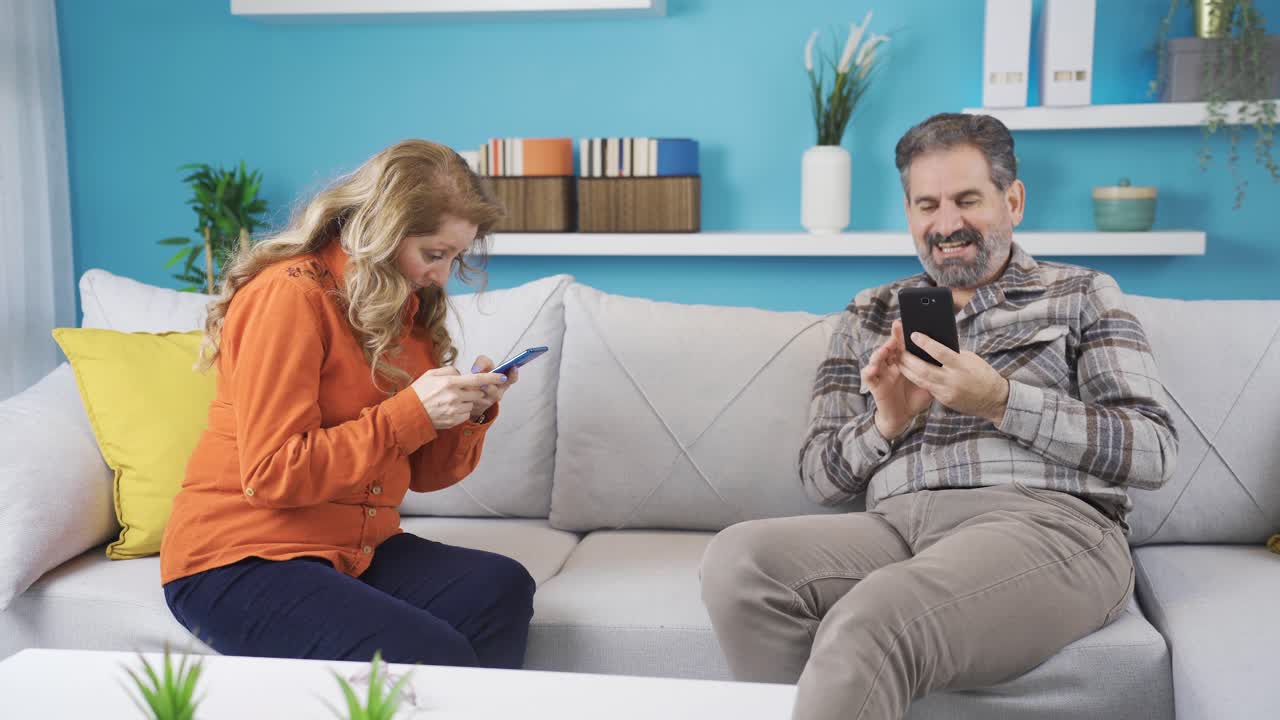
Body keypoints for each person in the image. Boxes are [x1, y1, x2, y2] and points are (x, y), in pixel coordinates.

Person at [699, 113, 1178, 720]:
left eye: (966, 200)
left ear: (1013, 200)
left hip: (1047, 526)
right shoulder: (868, 313)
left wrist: (1001, 399)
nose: (946, 224)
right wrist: (885, 425)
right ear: (908, 214)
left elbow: (1154, 451)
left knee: (874, 617)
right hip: (897, 525)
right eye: (927, 204)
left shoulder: (1082, 293)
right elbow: (818, 478)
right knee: (739, 562)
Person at [160, 139, 536, 669]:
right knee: (430, 653)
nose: (442, 276)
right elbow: (273, 474)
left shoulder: (407, 308)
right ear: (382, 232)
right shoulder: (291, 296)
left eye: (455, 256)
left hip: (351, 550)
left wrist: (466, 413)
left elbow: (424, 474)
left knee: (501, 586)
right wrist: (411, 413)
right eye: (434, 254)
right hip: (240, 557)